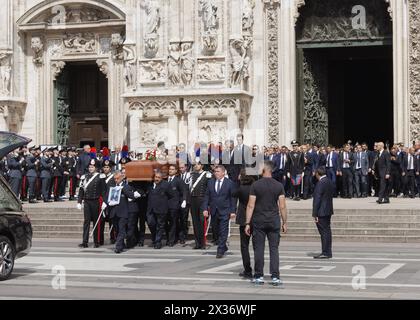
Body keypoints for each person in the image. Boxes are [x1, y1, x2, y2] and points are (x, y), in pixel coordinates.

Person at [245, 161, 287, 286]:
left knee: (259, 249)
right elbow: (283, 206)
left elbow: (250, 205)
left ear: (264, 169)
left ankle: (259, 276)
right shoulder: (278, 185)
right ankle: (275, 276)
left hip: (259, 220)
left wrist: (247, 222)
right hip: (274, 220)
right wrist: (285, 222)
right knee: (274, 249)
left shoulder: (256, 185)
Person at [201, 165, 237, 259]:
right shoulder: (210, 182)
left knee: (223, 230)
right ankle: (224, 246)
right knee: (216, 231)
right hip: (214, 210)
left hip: (225, 210)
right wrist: (205, 208)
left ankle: (220, 250)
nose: (215, 173)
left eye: (218, 171)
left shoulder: (229, 183)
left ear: (223, 172)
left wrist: (233, 211)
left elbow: (233, 198)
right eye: (215, 171)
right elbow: (207, 196)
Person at [107, 171, 142, 253]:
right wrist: (107, 202)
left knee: (122, 229)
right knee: (117, 230)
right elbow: (107, 196)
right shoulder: (112, 187)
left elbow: (131, 196)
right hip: (114, 212)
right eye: (115, 179)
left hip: (123, 212)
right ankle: (121, 244)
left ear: (121, 178)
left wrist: (134, 194)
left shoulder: (125, 187)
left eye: (117, 178)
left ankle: (118, 247)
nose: (116, 180)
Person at [77, 159, 105, 248]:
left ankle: (96, 241)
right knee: (86, 222)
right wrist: (79, 201)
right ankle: (84, 241)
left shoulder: (100, 176)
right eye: (89, 167)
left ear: (96, 168)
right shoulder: (84, 177)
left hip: (96, 201)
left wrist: (104, 201)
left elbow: (104, 191)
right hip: (87, 202)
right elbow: (81, 190)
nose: (90, 168)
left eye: (92, 167)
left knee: (96, 222)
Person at [234, 170, 255, 279]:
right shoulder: (255, 187)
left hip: (244, 219)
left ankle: (247, 270)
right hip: (255, 219)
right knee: (257, 246)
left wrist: (238, 182)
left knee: (244, 246)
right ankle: (258, 269)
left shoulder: (241, 189)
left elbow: (232, 193)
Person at [146, 170, 174, 249]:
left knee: (160, 226)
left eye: (158, 177)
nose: (157, 179)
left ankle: (158, 242)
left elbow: (171, 195)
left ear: (161, 178)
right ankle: (155, 238)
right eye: (155, 177)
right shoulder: (150, 184)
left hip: (161, 209)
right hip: (151, 209)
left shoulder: (166, 185)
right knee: (151, 223)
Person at [312, 167, 334, 259]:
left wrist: (314, 213)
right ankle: (328, 251)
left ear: (318, 173)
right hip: (328, 209)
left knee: (324, 232)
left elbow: (317, 199)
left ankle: (325, 252)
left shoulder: (320, 183)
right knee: (327, 231)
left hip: (321, 211)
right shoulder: (328, 181)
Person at [190, 161, 211, 249]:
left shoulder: (207, 175)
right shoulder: (192, 175)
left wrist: (208, 203)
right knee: (195, 222)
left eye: (198, 164)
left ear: (202, 165)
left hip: (202, 200)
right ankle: (197, 242)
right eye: (194, 164)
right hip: (193, 200)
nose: (196, 166)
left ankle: (203, 242)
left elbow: (209, 188)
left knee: (202, 221)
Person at [166, 164, 187, 247]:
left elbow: (183, 191)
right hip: (166, 205)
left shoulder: (178, 180)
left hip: (175, 204)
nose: (170, 170)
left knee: (173, 222)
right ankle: (173, 238)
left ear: (175, 171)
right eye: (169, 169)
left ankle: (171, 240)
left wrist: (184, 200)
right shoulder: (166, 179)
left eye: (172, 169)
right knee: (169, 223)